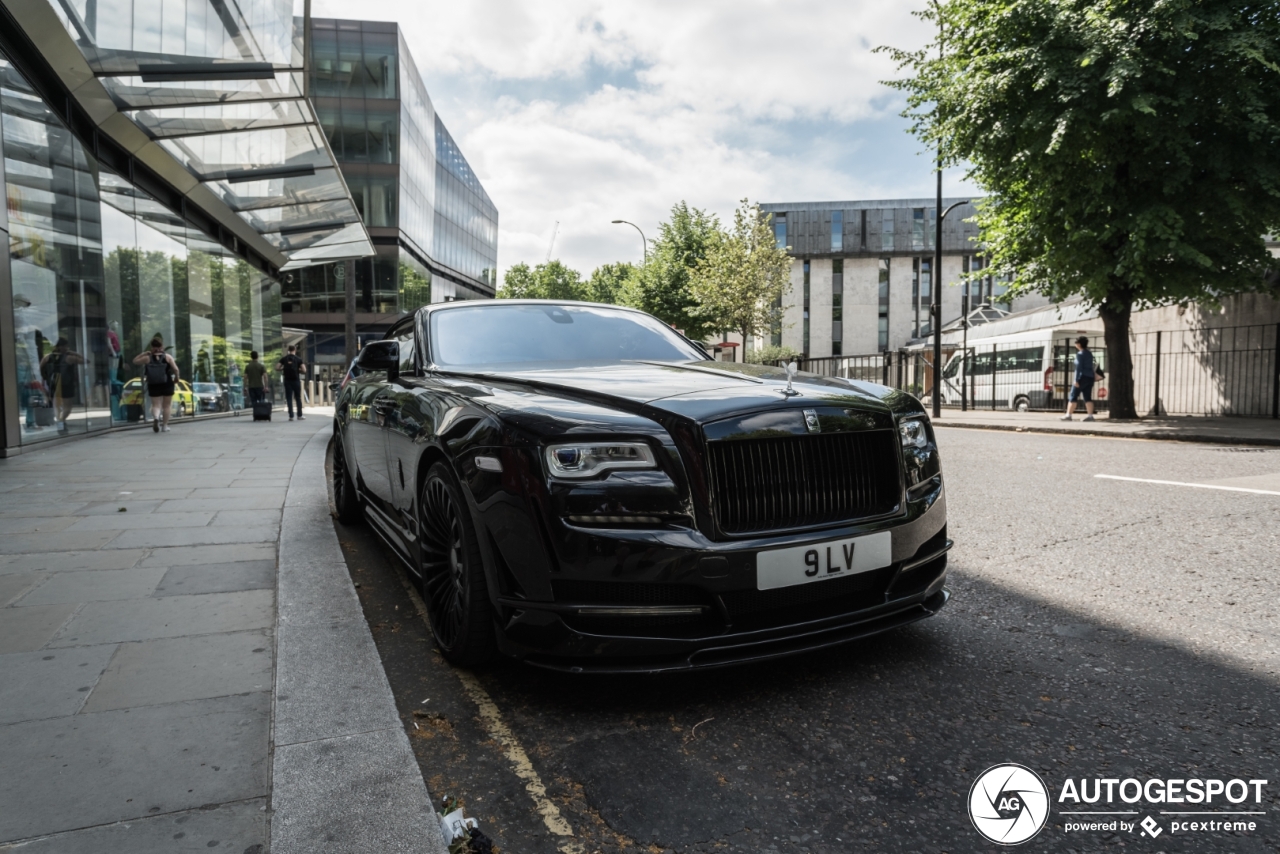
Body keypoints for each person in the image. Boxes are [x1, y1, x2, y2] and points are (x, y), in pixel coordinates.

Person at [133, 337, 179, 433]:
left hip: (153, 383)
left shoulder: (147, 358)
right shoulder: (168, 357)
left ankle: (156, 418)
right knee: (166, 405)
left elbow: (135, 361)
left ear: (151, 346)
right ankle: (165, 426)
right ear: (162, 346)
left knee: (156, 405)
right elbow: (176, 369)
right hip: (167, 383)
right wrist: (177, 378)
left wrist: (144, 353)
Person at [41, 337, 86, 431]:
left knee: (56, 405)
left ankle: (59, 421)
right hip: (66, 383)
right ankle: (61, 421)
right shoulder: (69, 358)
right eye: (66, 346)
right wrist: (74, 353)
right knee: (68, 406)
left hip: (53, 382)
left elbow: (41, 368)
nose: (67, 348)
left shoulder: (48, 357)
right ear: (63, 347)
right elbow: (85, 361)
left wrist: (45, 378)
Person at [1061, 336, 1097, 422]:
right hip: (1090, 377)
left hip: (1082, 377)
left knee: (1073, 396)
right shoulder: (1089, 353)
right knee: (1087, 397)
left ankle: (1068, 415)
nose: (1075, 344)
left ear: (1079, 344)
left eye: (1076, 343)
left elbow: (1078, 368)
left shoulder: (1080, 354)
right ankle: (1090, 416)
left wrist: (1076, 380)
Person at [276, 344, 307, 421]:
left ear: (288, 350)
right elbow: (304, 370)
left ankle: (291, 416)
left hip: (287, 380)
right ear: (295, 350)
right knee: (298, 398)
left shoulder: (284, 359)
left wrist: (283, 369)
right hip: (296, 380)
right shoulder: (298, 359)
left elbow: (277, 368)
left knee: (289, 398)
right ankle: (299, 415)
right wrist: (297, 370)